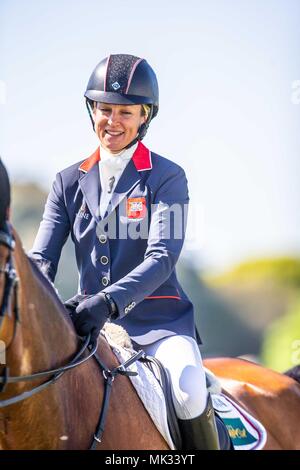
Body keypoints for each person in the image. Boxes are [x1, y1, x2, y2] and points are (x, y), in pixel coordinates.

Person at [30, 54, 223, 450]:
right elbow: (42, 261)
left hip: (158, 323)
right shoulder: (67, 181)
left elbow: (162, 257)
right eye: (104, 109)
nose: (112, 121)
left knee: (188, 389)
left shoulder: (167, 176)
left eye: (125, 112)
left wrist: (108, 302)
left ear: (144, 117)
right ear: (92, 110)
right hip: (87, 326)